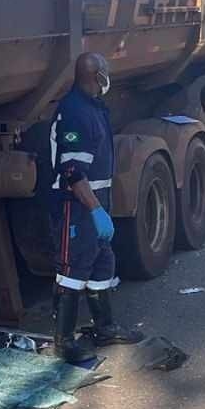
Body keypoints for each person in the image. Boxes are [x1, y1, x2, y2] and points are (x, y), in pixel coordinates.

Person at [46, 52, 142, 363]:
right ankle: (64, 341)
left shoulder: (94, 107)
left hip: (97, 200)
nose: (108, 76)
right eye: (105, 71)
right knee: (73, 269)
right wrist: (95, 210)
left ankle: (105, 327)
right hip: (77, 205)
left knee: (102, 263)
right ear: (96, 75)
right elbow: (72, 171)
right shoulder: (75, 112)